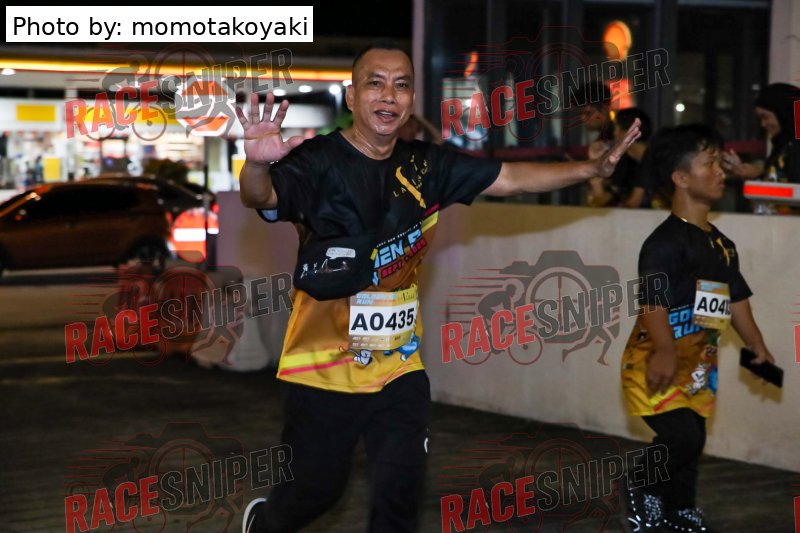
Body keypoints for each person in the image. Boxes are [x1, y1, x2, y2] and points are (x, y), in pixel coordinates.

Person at [237, 41, 640, 533]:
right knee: (317, 491)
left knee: (401, 490)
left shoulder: (427, 165)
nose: (389, 95)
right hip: (322, 366)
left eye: (401, 85)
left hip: (399, 364)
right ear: (352, 96)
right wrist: (256, 164)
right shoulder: (318, 161)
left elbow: (510, 177)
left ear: (412, 100)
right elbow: (263, 196)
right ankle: (265, 522)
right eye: (375, 83)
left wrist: (590, 169)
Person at [619, 124, 776, 532]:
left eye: (720, 163)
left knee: (694, 440)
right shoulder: (664, 243)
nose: (721, 171)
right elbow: (652, 300)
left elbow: (736, 299)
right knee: (682, 439)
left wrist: (757, 345)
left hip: (698, 366)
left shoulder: (723, 246)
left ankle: (679, 507)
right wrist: (665, 350)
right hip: (655, 362)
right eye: (710, 163)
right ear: (682, 178)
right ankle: (640, 485)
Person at [721, 83, 800, 213]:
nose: (763, 124)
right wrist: (754, 174)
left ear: (783, 113)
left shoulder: (795, 148)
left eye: (765, 117)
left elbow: (793, 192)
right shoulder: (782, 146)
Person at [587, 107, 653, 208]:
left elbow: (633, 203)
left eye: (616, 128)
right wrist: (594, 163)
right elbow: (601, 201)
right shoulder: (624, 161)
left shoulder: (655, 157)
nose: (614, 133)